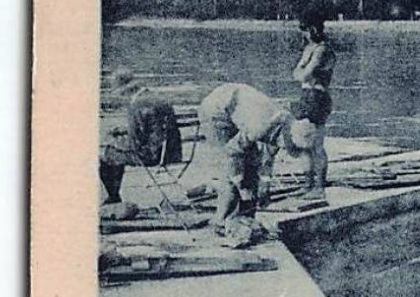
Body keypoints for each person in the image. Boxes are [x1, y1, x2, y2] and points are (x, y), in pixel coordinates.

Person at [197, 82, 315, 244]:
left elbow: (267, 156)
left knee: (252, 161)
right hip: (216, 111)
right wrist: (242, 186)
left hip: (237, 107)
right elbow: (232, 152)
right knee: (231, 174)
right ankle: (222, 222)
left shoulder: (287, 124)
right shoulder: (261, 126)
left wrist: (264, 186)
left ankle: (246, 219)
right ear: (286, 137)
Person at [98, 69, 183, 207]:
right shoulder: (160, 99)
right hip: (172, 153)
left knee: (105, 154)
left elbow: (135, 144)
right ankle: (113, 198)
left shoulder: (136, 106)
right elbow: (154, 128)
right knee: (113, 152)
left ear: (125, 91)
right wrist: (126, 131)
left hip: (151, 157)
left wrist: (115, 141)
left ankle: (113, 197)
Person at [291, 8, 337, 195]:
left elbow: (303, 74)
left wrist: (302, 69)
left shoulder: (322, 50)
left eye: (304, 31)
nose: (303, 35)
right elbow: (297, 75)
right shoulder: (312, 49)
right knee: (304, 143)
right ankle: (309, 184)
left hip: (317, 97)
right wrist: (302, 71)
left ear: (311, 30)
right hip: (309, 96)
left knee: (315, 143)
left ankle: (318, 185)